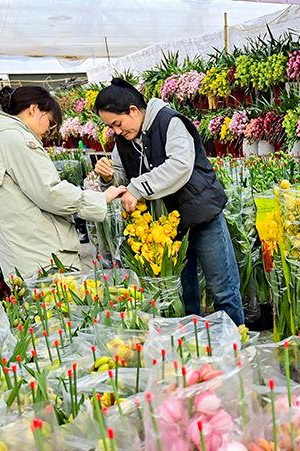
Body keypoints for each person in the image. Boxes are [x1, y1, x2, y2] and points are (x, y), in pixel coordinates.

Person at [93, 78, 245, 326]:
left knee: (223, 289)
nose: (117, 132)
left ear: (133, 110)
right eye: (112, 127)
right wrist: (109, 177)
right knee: (183, 294)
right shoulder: (123, 142)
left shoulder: (169, 122)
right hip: (165, 229)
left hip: (201, 215)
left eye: (117, 124)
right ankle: (193, 353)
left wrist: (137, 187)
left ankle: (236, 349)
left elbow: (180, 166)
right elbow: (123, 177)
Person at [0, 86, 125, 281]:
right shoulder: (16, 139)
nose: (49, 131)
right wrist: (101, 198)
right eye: (50, 123)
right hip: (42, 255)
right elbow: (51, 193)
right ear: (34, 109)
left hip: (23, 252)